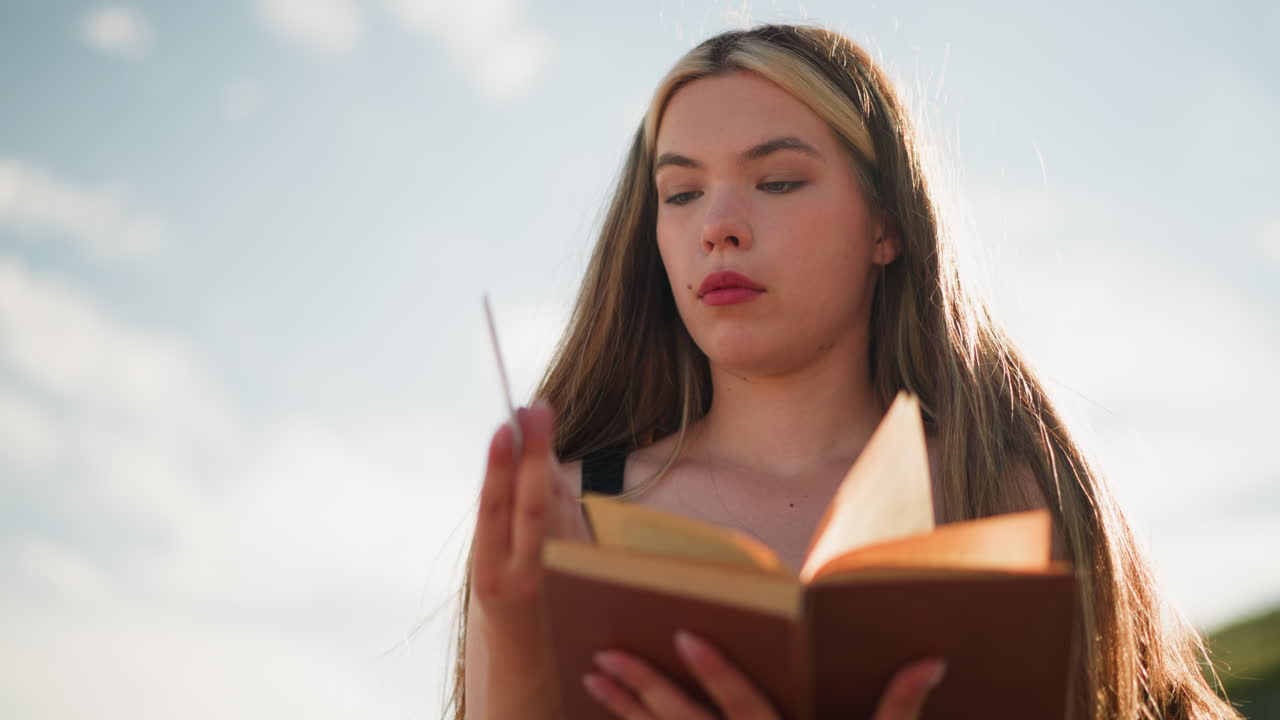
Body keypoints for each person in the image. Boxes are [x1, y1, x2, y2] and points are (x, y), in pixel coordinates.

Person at [447, 23, 1239, 720]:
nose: (717, 226)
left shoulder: (1006, 493)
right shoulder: (568, 512)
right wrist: (512, 625)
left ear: (886, 224)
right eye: (681, 193)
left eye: (779, 180)